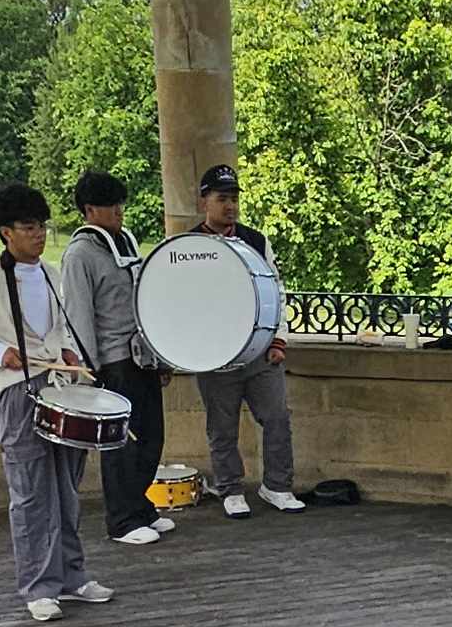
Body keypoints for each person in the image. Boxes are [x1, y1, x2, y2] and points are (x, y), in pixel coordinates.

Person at [0, 181, 115, 624]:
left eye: (42, 227)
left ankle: (72, 576)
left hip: (59, 387)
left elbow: (58, 328)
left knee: (66, 490)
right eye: (29, 227)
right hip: (18, 394)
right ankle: (39, 586)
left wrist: (67, 351)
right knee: (32, 493)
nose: (39, 235)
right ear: (6, 233)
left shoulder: (50, 274)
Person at [60, 168, 174, 548]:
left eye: (120, 204)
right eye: (111, 205)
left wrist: (160, 356)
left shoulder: (125, 241)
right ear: (89, 210)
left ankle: (140, 507)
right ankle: (122, 520)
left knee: (151, 437)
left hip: (141, 358)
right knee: (122, 444)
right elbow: (79, 315)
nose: (119, 211)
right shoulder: (80, 254)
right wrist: (89, 371)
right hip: (112, 363)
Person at [191, 163, 304, 518]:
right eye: (222, 199)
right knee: (222, 428)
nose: (231, 206)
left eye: (234, 199)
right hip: (214, 355)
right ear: (204, 202)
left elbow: (276, 291)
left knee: (277, 419)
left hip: (259, 350)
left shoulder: (256, 241)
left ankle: (277, 486)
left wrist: (278, 340)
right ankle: (230, 489)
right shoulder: (186, 246)